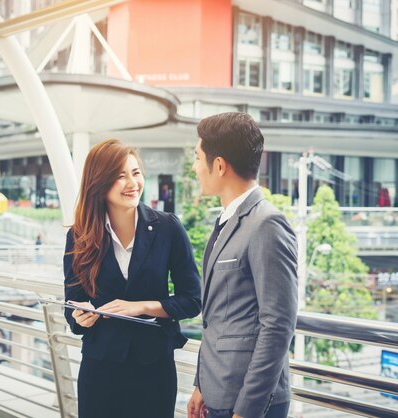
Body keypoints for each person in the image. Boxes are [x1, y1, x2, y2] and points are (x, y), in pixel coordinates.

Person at [64, 138, 201, 418]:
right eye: (120, 176)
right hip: (100, 367)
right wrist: (79, 316)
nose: (132, 183)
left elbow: (193, 300)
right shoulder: (79, 236)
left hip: (154, 368)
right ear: (99, 184)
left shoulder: (168, 228)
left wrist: (140, 307)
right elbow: (73, 302)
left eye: (135, 172)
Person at [187, 112, 298, 418]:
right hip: (218, 392)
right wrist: (201, 384)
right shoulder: (227, 220)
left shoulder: (267, 224)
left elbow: (278, 326)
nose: (195, 167)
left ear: (219, 165)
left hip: (249, 404)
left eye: (197, 158)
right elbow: (219, 318)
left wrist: (247, 410)